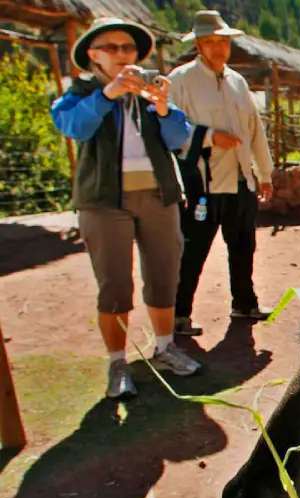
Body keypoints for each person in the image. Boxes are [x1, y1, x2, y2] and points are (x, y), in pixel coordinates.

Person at [50, 17, 202, 400]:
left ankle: (165, 348)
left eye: (128, 48)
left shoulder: (149, 92)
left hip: (157, 196)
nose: (122, 55)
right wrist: (109, 95)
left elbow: (179, 139)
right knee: (115, 284)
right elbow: (73, 127)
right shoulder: (80, 94)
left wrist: (166, 109)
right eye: (112, 47)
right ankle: (118, 363)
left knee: (164, 273)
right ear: (92, 55)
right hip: (104, 203)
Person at [167, 10, 275, 337]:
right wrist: (210, 137)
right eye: (210, 41)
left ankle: (244, 303)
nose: (218, 48)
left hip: (241, 180)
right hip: (202, 183)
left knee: (243, 246)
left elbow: (255, 131)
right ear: (198, 44)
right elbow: (169, 129)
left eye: (222, 41)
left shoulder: (238, 83)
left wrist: (264, 173)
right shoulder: (180, 81)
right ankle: (178, 315)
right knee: (192, 250)